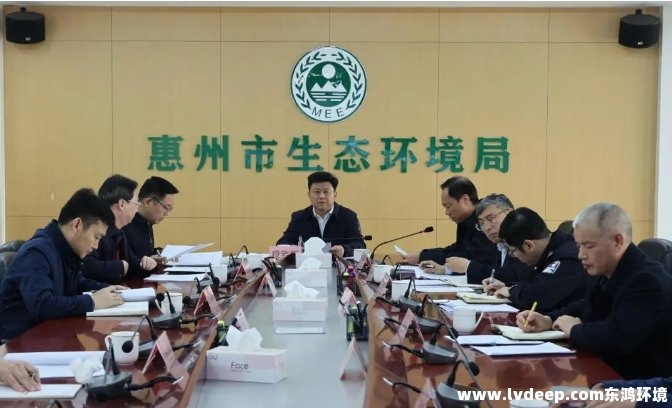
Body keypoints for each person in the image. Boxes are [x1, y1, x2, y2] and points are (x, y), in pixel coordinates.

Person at [516, 203, 672, 380]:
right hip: (610, 374)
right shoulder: (608, 270)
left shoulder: (647, 281)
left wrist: (574, 329)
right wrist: (548, 320)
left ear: (618, 241)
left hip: (642, 385)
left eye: (588, 246)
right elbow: (586, 305)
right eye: (578, 246)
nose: (581, 254)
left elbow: (615, 336)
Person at [0, 188, 126, 340]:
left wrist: (106, 289)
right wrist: (92, 301)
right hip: (18, 345)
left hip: (47, 338)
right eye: (96, 237)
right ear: (77, 225)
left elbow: (76, 283)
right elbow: (43, 305)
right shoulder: (36, 253)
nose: (96, 246)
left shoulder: (64, 249)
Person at [482, 207, 589, 313]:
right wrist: (508, 287)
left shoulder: (567, 258)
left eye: (512, 251)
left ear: (528, 245)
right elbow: (536, 282)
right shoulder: (553, 247)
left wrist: (511, 291)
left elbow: (537, 296)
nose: (512, 255)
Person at [419, 194, 534, 284]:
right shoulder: (498, 244)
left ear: (509, 213)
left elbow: (514, 276)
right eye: (482, 223)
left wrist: (468, 267)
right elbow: (490, 269)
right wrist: (445, 270)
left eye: (491, 218)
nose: (487, 228)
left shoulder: (523, 240)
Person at [403, 176, 494, 265]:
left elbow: (466, 257)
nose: (446, 212)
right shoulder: (466, 220)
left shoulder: (485, 219)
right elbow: (457, 249)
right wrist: (422, 255)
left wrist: (421, 257)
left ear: (465, 200)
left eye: (448, 206)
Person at [83, 175, 157, 283]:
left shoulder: (119, 231)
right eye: (136, 204)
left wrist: (146, 263)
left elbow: (131, 264)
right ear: (121, 204)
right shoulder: (95, 228)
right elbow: (87, 267)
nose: (137, 210)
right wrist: (120, 266)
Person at [277, 171, 365, 258]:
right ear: (309, 195)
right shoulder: (299, 217)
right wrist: (295, 249)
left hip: (337, 265)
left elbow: (359, 245)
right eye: (317, 192)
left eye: (326, 192)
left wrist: (344, 249)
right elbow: (284, 242)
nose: (322, 196)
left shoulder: (348, 216)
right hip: (307, 265)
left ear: (335, 194)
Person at [123, 176, 178, 260]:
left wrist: (161, 252)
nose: (166, 214)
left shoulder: (147, 222)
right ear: (148, 202)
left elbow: (146, 253)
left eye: (169, 209)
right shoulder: (125, 223)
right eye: (166, 208)